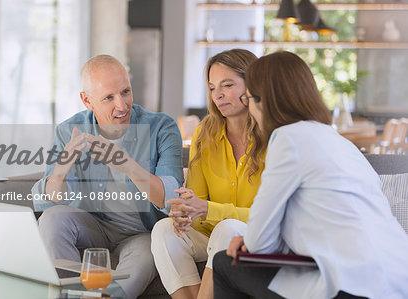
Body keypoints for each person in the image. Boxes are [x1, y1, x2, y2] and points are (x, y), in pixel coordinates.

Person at [213, 51, 408, 299]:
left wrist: (247, 241)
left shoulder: (287, 138)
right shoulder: (341, 143)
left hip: (353, 286)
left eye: (249, 98)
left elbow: (260, 242)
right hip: (398, 280)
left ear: (264, 102)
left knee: (224, 263)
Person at [31, 55, 184, 299]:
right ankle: (70, 295)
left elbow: (170, 199)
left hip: (141, 234)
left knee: (148, 254)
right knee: (52, 218)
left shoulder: (162, 128)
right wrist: (61, 168)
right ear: (87, 100)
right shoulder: (69, 131)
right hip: (93, 227)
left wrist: (127, 165)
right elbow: (47, 202)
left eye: (125, 92)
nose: (122, 105)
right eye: (109, 98)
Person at [151, 49, 264, 299]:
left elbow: (268, 217)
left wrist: (207, 209)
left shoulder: (273, 136)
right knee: (164, 230)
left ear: (253, 85)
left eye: (228, 85)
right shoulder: (205, 132)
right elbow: (198, 205)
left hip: (258, 237)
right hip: (214, 236)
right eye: (213, 87)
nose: (218, 95)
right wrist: (187, 212)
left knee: (228, 228)